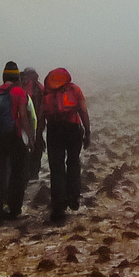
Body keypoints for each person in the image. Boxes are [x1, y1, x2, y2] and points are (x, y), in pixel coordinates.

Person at [0, 60, 36, 226]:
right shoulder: (18, 92)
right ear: (17, 77)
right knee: (19, 172)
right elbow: (24, 117)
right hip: (12, 137)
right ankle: (14, 210)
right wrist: (31, 138)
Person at [37, 67, 90, 224]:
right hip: (73, 129)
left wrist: (39, 136)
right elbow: (83, 111)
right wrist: (88, 132)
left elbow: (41, 118)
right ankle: (73, 197)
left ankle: (58, 205)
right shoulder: (75, 89)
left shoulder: (45, 93)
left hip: (54, 131)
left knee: (56, 167)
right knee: (73, 161)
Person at [19, 66, 45, 180]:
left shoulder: (19, 87)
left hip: (20, 124)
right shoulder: (40, 88)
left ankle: (23, 174)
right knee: (37, 146)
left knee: (22, 149)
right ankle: (34, 175)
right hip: (37, 122)